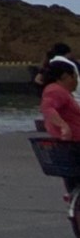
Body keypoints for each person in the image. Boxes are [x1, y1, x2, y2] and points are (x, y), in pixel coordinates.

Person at [39, 57, 80, 196]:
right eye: (74, 77)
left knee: (72, 179)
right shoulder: (56, 90)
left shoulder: (60, 91)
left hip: (70, 144)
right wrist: (64, 126)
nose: (76, 81)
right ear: (64, 77)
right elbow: (47, 108)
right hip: (74, 143)